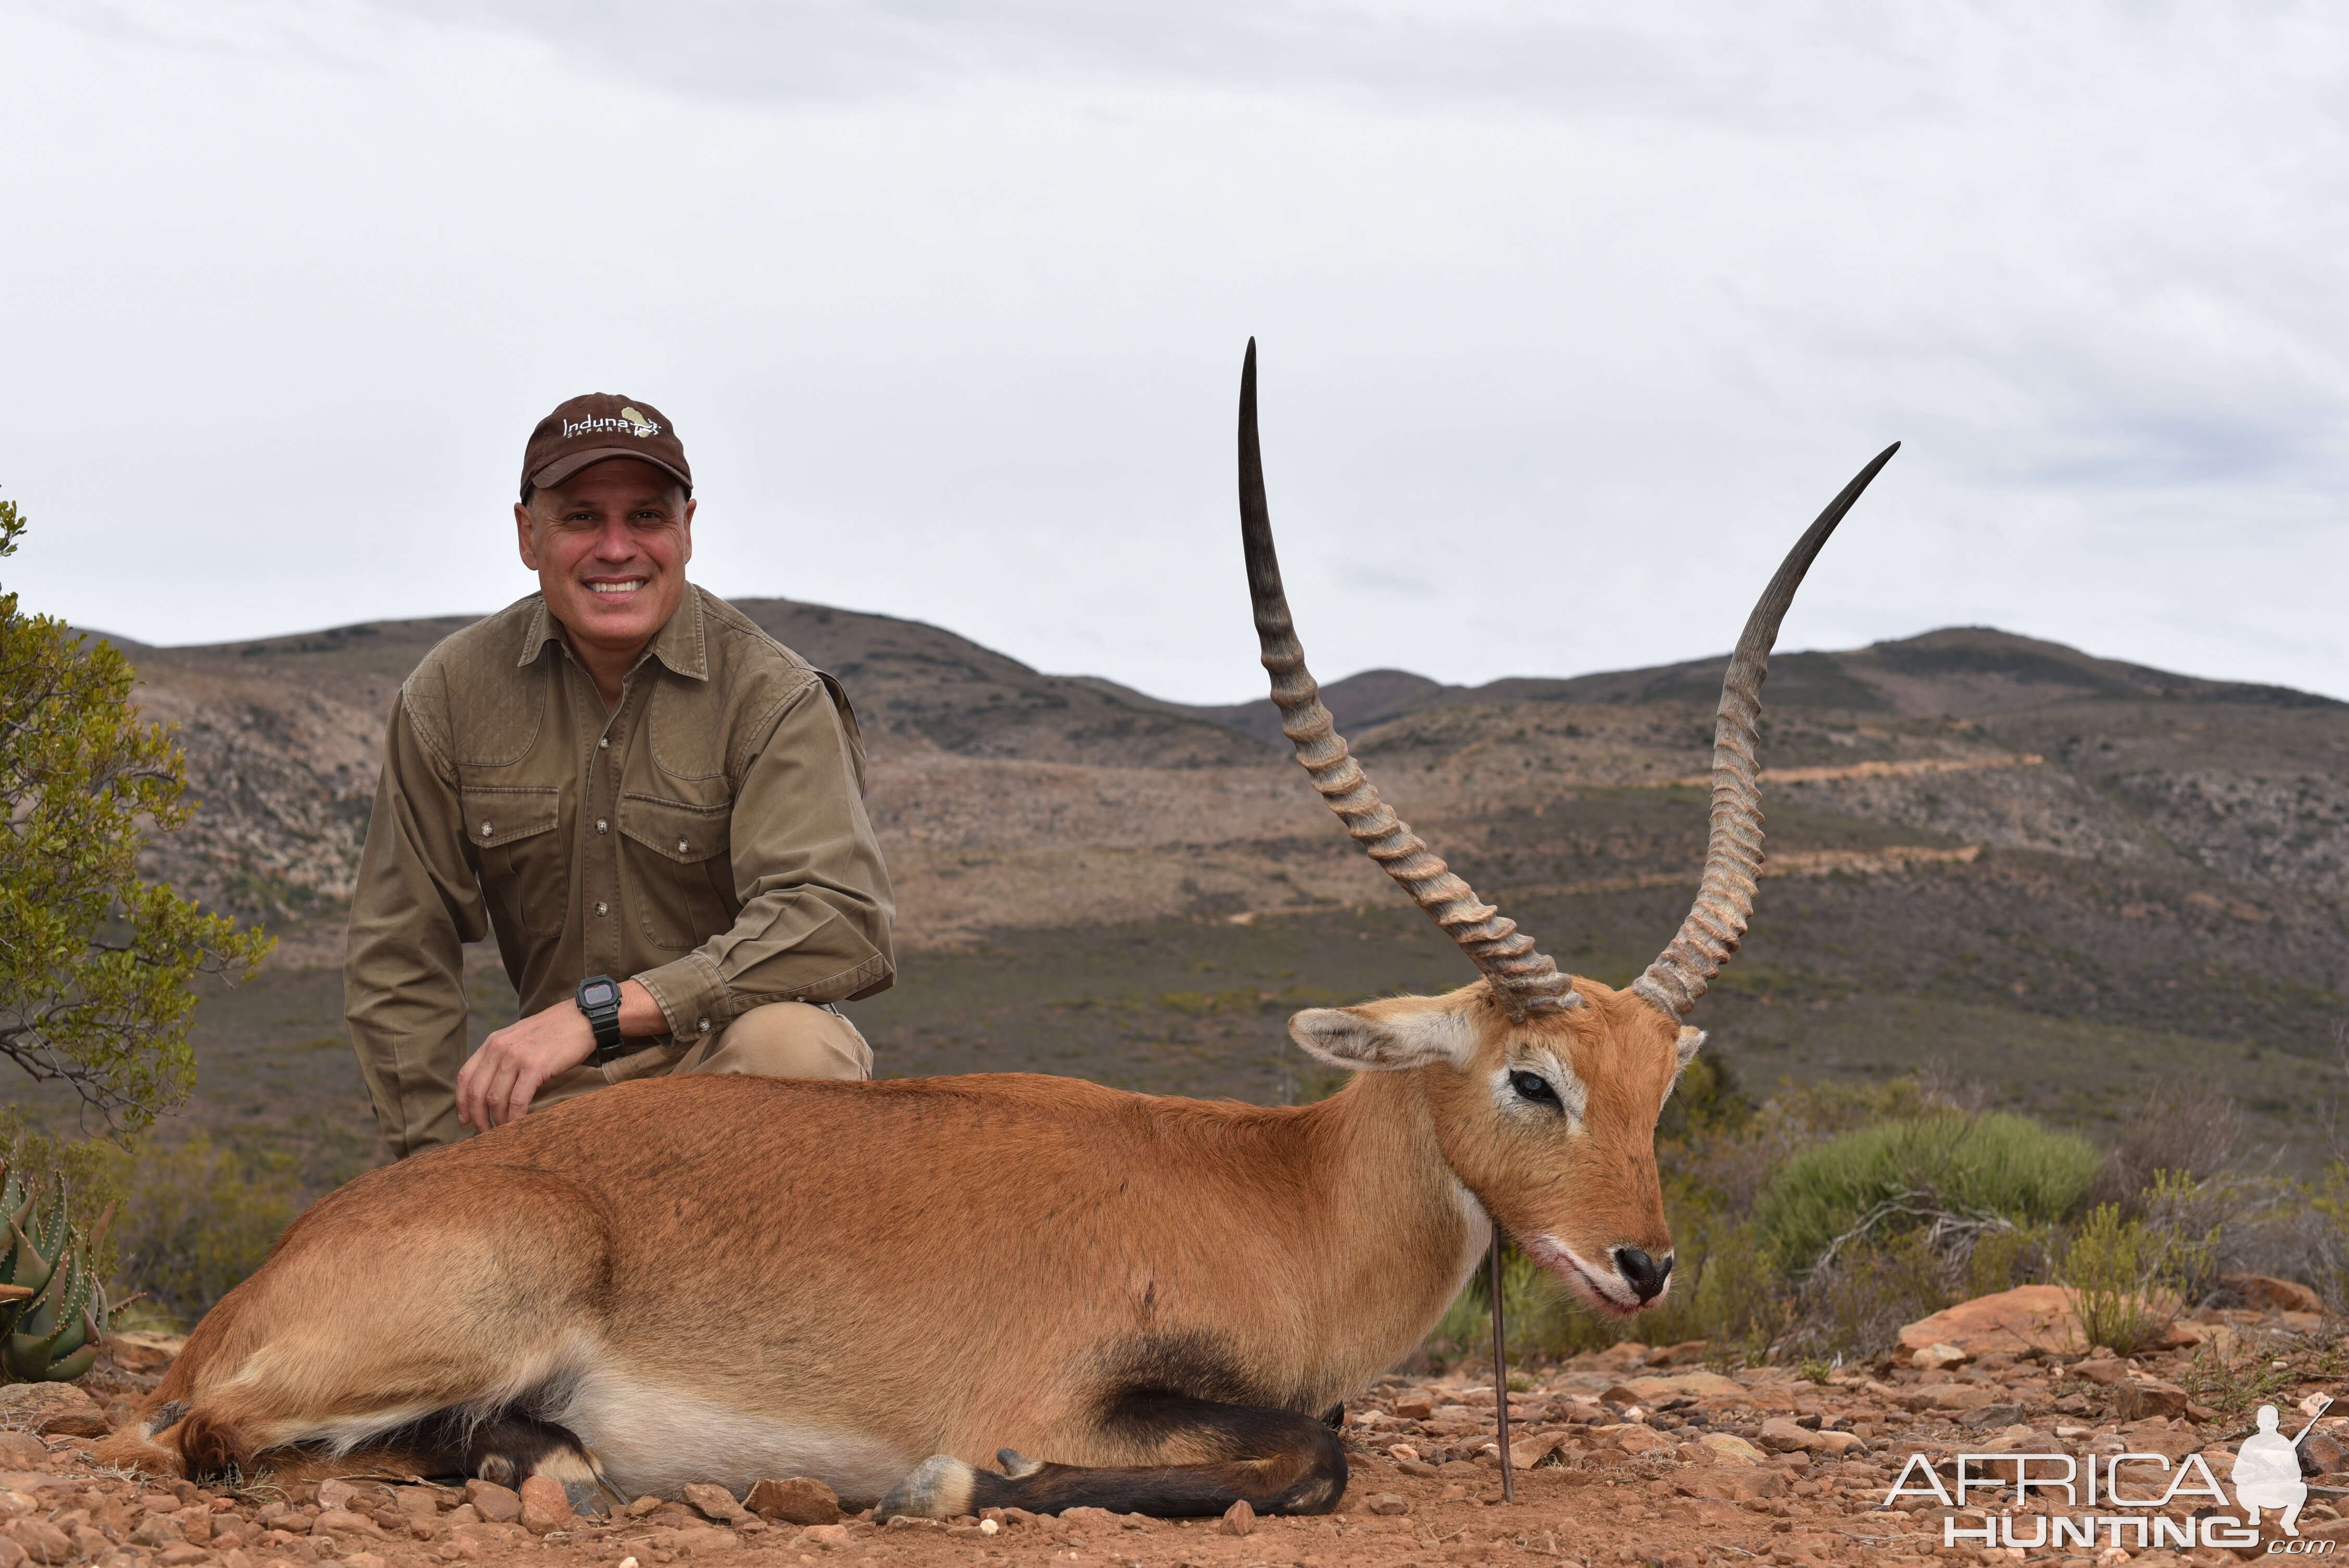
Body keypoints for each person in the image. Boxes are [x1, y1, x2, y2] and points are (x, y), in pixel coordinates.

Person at [344, 393, 896, 1156]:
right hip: (545, 1106)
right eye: (579, 518)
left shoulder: (775, 696)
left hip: (723, 1077)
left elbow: (836, 922)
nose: (616, 549)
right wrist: (434, 1162)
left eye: (645, 517)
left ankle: (778, 1276)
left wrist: (598, 1015)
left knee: (799, 1048)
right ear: (526, 533)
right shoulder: (450, 693)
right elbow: (398, 951)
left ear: (688, 530)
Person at [2231, 1404, 2308, 1533]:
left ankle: (2288, 1522)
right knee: (2243, 1491)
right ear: (2259, 1423)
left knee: (2302, 1489)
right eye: (2264, 1420)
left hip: (2277, 1491)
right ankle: (2254, 1514)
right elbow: (2237, 1475)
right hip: (2254, 1491)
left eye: (2271, 1420)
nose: (2268, 1424)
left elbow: (2296, 1475)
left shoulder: (2285, 1443)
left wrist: (2283, 1477)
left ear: (2277, 1422)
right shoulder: (2250, 1443)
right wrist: (2257, 1476)